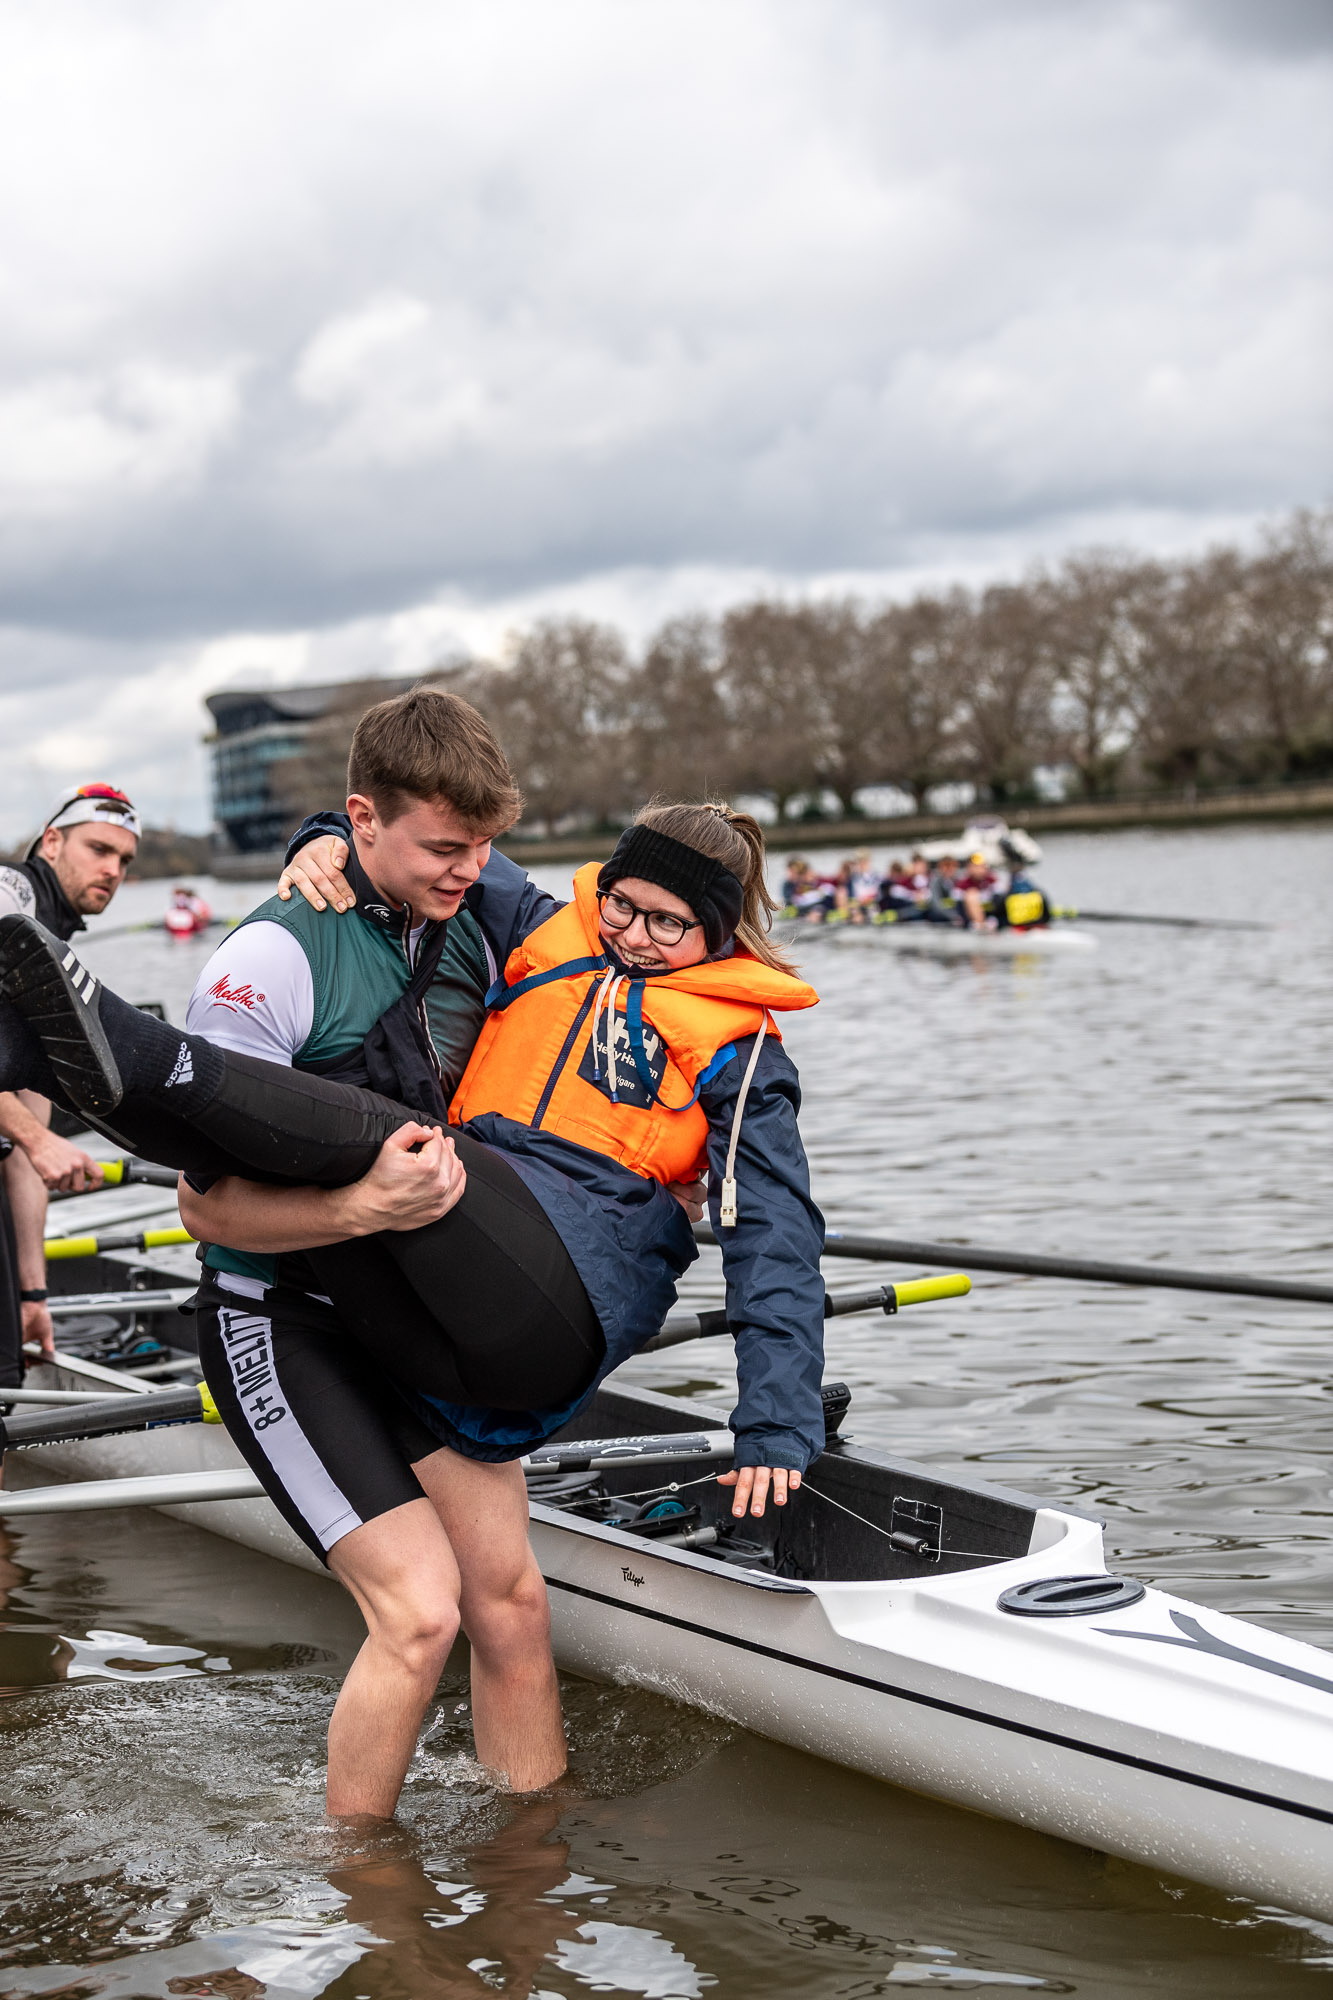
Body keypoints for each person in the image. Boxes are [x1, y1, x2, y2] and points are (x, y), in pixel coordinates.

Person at [0, 694, 826, 1819]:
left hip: (542, 1298)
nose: (632, 937)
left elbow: (778, 1236)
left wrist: (775, 1420)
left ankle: (117, 1052)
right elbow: (212, 1202)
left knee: (407, 1153)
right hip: (403, 1287)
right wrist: (319, 843)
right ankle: (473, 1868)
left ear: (722, 936)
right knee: (462, 1607)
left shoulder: (739, 1047)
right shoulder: (536, 926)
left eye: (668, 925)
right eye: (621, 906)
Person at [0, 784, 140, 1384]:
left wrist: (32, 1292)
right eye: (99, 848)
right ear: (52, 841)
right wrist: (38, 1140)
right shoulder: (10, 895)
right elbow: (32, 1141)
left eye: (125, 860)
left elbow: (25, 1136)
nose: (112, 870)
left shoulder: (52, 946)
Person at [956, 851, 998, 931]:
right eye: (976, 867)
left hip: (991, 916)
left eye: (982, 866)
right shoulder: (962, 883)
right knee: (972, 894)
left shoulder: (992, 880)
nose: (980, 870)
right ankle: (981, 925)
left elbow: (999, 899)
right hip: (969, 919)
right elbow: (958, 907)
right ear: (969, 868)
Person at [926, 854, 963, 925]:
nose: (949, 869)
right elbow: (936, 905)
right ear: (940, 868)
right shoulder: (935, 882)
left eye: (952, 866)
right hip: (941, 917)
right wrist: (954, 916)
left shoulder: (960, 881)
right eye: (946, 866)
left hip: (956, 917)